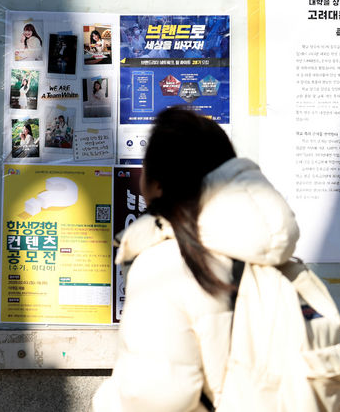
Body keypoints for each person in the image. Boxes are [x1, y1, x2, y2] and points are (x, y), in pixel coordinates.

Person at [92, 108, 300, 412]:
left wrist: (105, 400)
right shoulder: (271, 256)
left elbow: (154, 397)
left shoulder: (163, 265)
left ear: (158, 183)